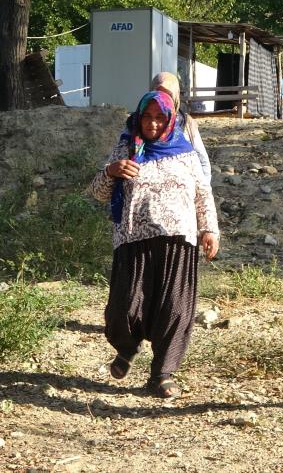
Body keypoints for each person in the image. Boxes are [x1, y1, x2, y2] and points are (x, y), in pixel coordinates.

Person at [86, 90, 220, 398]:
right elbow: (98, 192)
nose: (153, 124)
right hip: (133, 239)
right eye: (147, 117)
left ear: (171, 119)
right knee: (125, 307)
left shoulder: (185, 152)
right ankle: (127, 347)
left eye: (160, 118)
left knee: (174, 308)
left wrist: (209, 230)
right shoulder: (127, 146)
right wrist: (111, 171)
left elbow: (203, 193)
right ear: (138, 117)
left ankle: (162, 374)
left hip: (178, 239)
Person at [151, 72, 211, 182]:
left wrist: (204, 192)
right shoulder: (139, 122)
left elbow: (202, 161)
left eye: (168, 95)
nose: (163, 99)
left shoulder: (186, 123)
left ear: (176, 96)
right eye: (158, 93)